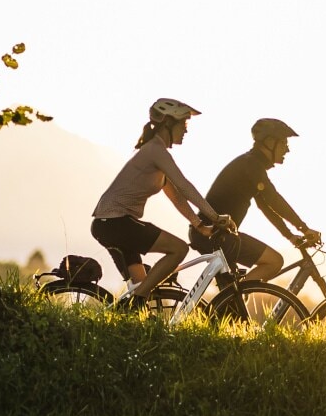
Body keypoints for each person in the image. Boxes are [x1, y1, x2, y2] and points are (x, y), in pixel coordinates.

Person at [90, 98, 234, 303]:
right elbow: (185, 186)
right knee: (179, 249)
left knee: (142, 286)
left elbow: (176, 197)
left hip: (110, 224)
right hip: (116, 223)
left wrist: (200, 225)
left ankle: (131, 312)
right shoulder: (155, 150)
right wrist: (215, 217)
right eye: (183, 124)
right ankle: (138, 299)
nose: (186, 130)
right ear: (168, 123)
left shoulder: (154, 152)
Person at [188, 117, 321, 284]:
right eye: (284, 144)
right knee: (274, 262)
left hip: (217, 235)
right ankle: (236, 295)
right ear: (270, 142)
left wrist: (290, 236)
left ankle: (234, 297)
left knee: (231, 299)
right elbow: (274, 200)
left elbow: (266, 207)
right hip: (214, 235)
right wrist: (304, 228)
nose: (287, 150)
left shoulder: (250, 164)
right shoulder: (252, 165)